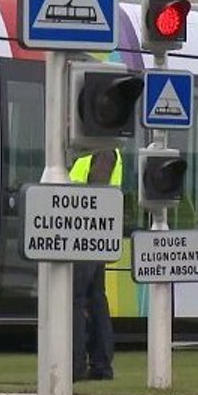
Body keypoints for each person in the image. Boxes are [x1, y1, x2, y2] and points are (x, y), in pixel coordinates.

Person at [69, 148, 121, 382]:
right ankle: (100, 365)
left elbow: (92, 196)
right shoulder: (99, 149)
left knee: (76, 300)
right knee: (96, 299)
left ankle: (76, 365)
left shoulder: (101, 150)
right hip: (93, 233)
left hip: (85, 233)